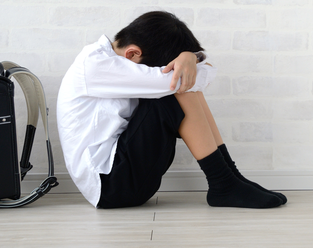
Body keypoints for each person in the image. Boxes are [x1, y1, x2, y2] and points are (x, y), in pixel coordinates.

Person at [56, 11, 287, 209]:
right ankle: (223, 183)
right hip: (111, 186)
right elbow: (192, 79)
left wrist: (191, 57)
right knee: (178, 84)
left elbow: (201, 74)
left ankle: (230, 177)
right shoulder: (96, 65)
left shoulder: (111, 59)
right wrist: (190, 62)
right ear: (133, 54)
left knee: (181, 81)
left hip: (122, 176)